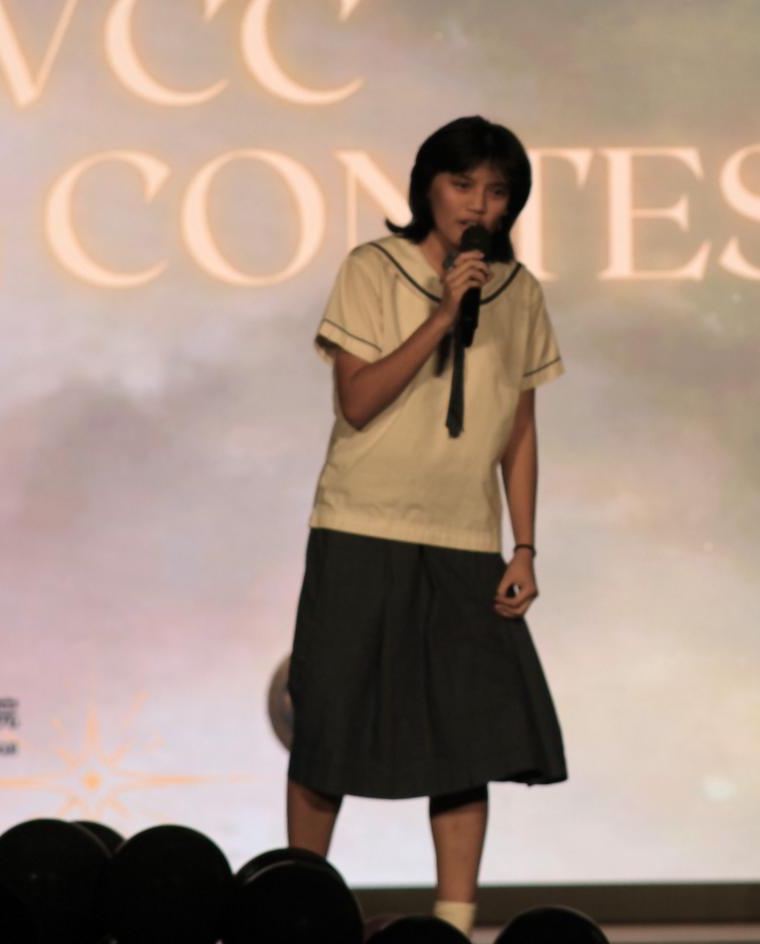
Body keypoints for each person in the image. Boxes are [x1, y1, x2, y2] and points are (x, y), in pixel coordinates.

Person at [286, 116, 568, 939]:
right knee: (330, 727)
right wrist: (443, 316)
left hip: (466, 539)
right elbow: (357, 400)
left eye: (497, 190)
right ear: (427, 188)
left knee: (465, 741)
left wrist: (524, 545)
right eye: (462, 184)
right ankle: (299, 914)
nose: (478, 204)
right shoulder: (373, 268)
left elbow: (519, 427)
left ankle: (453, 926)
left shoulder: (519, 292)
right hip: (360, 526)